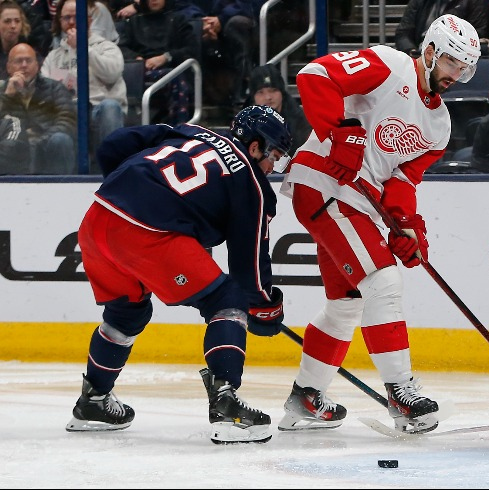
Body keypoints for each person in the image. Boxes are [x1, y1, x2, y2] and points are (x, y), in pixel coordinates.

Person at [277, 14, 482, 434]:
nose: (455, 75)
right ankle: (401, 392)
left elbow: (403, 180)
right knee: (383, 282)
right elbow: (315, 75)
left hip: (357, 200)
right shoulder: (390, 64)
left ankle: (305, 397)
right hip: (325, 185)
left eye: (463, 68)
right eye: (450, 63)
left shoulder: (439, 126)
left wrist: (406, 226)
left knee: (346, 303)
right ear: (429, 51)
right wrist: (341, 132)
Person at [65, 105, 293, 444]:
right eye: (274, 154)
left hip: (98, 217)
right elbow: (249, 268)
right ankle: (226, 405)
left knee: (127, 311)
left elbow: (113, 144)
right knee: (226, 300)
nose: (274, 166)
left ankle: (94, 401)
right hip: (148, 233)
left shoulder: (189, 130)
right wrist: (265, 308)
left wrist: (135, 192)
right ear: (255, 146)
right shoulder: (253, 185)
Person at [40, 0, 125, 170]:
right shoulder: (53, 57)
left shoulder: (107, 47)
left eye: (76, 17)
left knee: (110, 107)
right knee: (58, 138)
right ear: (60, 22)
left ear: (89, 20)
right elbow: (44, 89)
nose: (72, 21)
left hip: (98, 110)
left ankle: (112, 176)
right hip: (69, 114)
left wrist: (83, 48)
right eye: (66, 18)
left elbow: (111, 74)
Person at [117, 0, 200, 125]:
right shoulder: (133, 22)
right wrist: (137, 58)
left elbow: (191, 49)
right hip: (142, 71)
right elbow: (122, 48)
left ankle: (178, 129)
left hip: (173, 69)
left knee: (175, 78)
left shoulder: (178, 20)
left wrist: (166, 57)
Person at [0, 42, 75, 174]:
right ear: (8, 67)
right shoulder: (2, 91)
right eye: (18, 61)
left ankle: (63, 189)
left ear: (37, 65)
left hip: (46, 146)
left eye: (28, 61)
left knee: (61, 139)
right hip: (13, 151)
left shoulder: (55, 88)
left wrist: (38, 142)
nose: (24, 65)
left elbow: (68, 122)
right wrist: (7, 96)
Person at [246, 63, 311, 155]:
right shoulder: (243, 124)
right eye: (261, 92)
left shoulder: (301, 122)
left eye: (273, 90)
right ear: (253, 97)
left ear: (282, 93)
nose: (268, 97)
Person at [394, 0, 489, 58]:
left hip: (453, 55)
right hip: (419, 54)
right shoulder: (419, 1)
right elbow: (403, 32)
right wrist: (411, 51)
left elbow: (478, 32)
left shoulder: (474, 2)